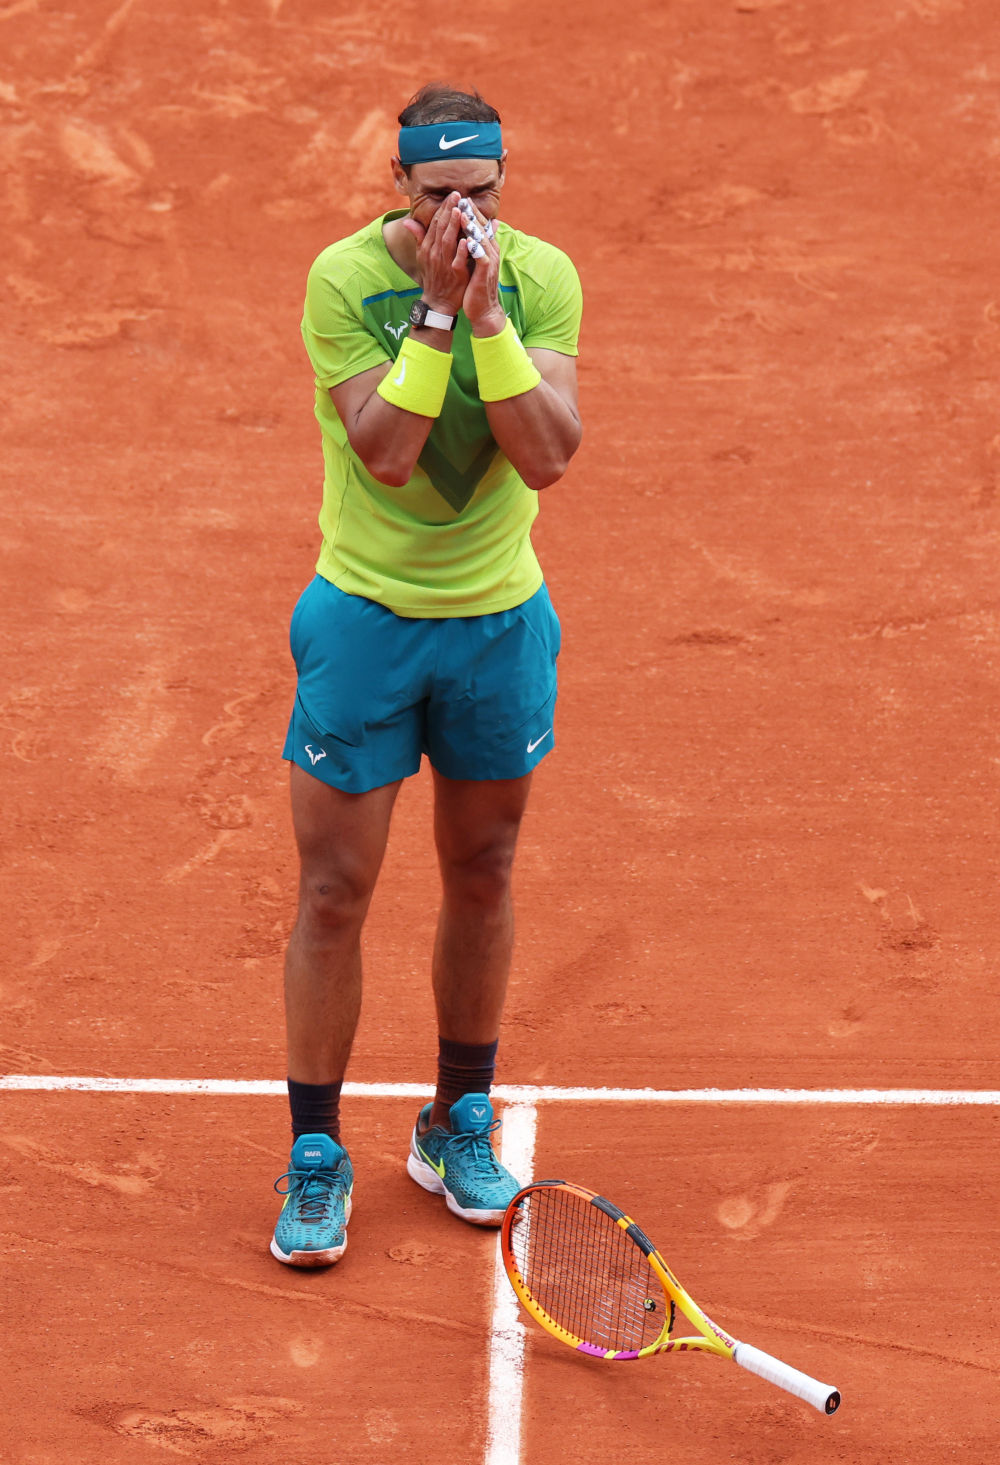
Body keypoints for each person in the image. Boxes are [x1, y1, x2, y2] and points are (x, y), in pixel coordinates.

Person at [269, 82, 583, 1267]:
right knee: (333, 891)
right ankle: (316, 1150)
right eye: (439, 195)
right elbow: (389, 454)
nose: (463, 217)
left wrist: (488, 315)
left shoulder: (542, 278)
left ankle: (457, 1118)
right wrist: (439, 316)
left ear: (504, 184)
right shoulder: (344, 280)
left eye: (482, 194)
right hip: (366, 623)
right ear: (398, 184)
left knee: (484, 871)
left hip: (497, 625)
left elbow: (546, 456)